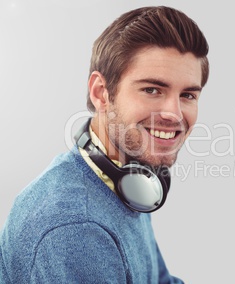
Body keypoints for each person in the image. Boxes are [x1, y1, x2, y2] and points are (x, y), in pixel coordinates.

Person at [0, 6, 209, 283]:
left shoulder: (129, 174)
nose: (174, 113)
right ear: (101, 93)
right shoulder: (76, 228)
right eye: (152, 90)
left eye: (188, 95)